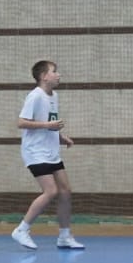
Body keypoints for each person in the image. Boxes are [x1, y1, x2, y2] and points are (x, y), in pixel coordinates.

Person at [11, 59, 84, 251]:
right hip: (35, 152)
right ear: (44, 76)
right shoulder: (35, 96)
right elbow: (21, 122)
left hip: (51, 151)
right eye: (54, 71)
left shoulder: (54, 96)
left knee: (65, 191)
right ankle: (21, 229)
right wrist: (47, 126)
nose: (58, 75)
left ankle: (65, 236)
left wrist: (60, 137)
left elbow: (50, 122)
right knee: (51, 191)